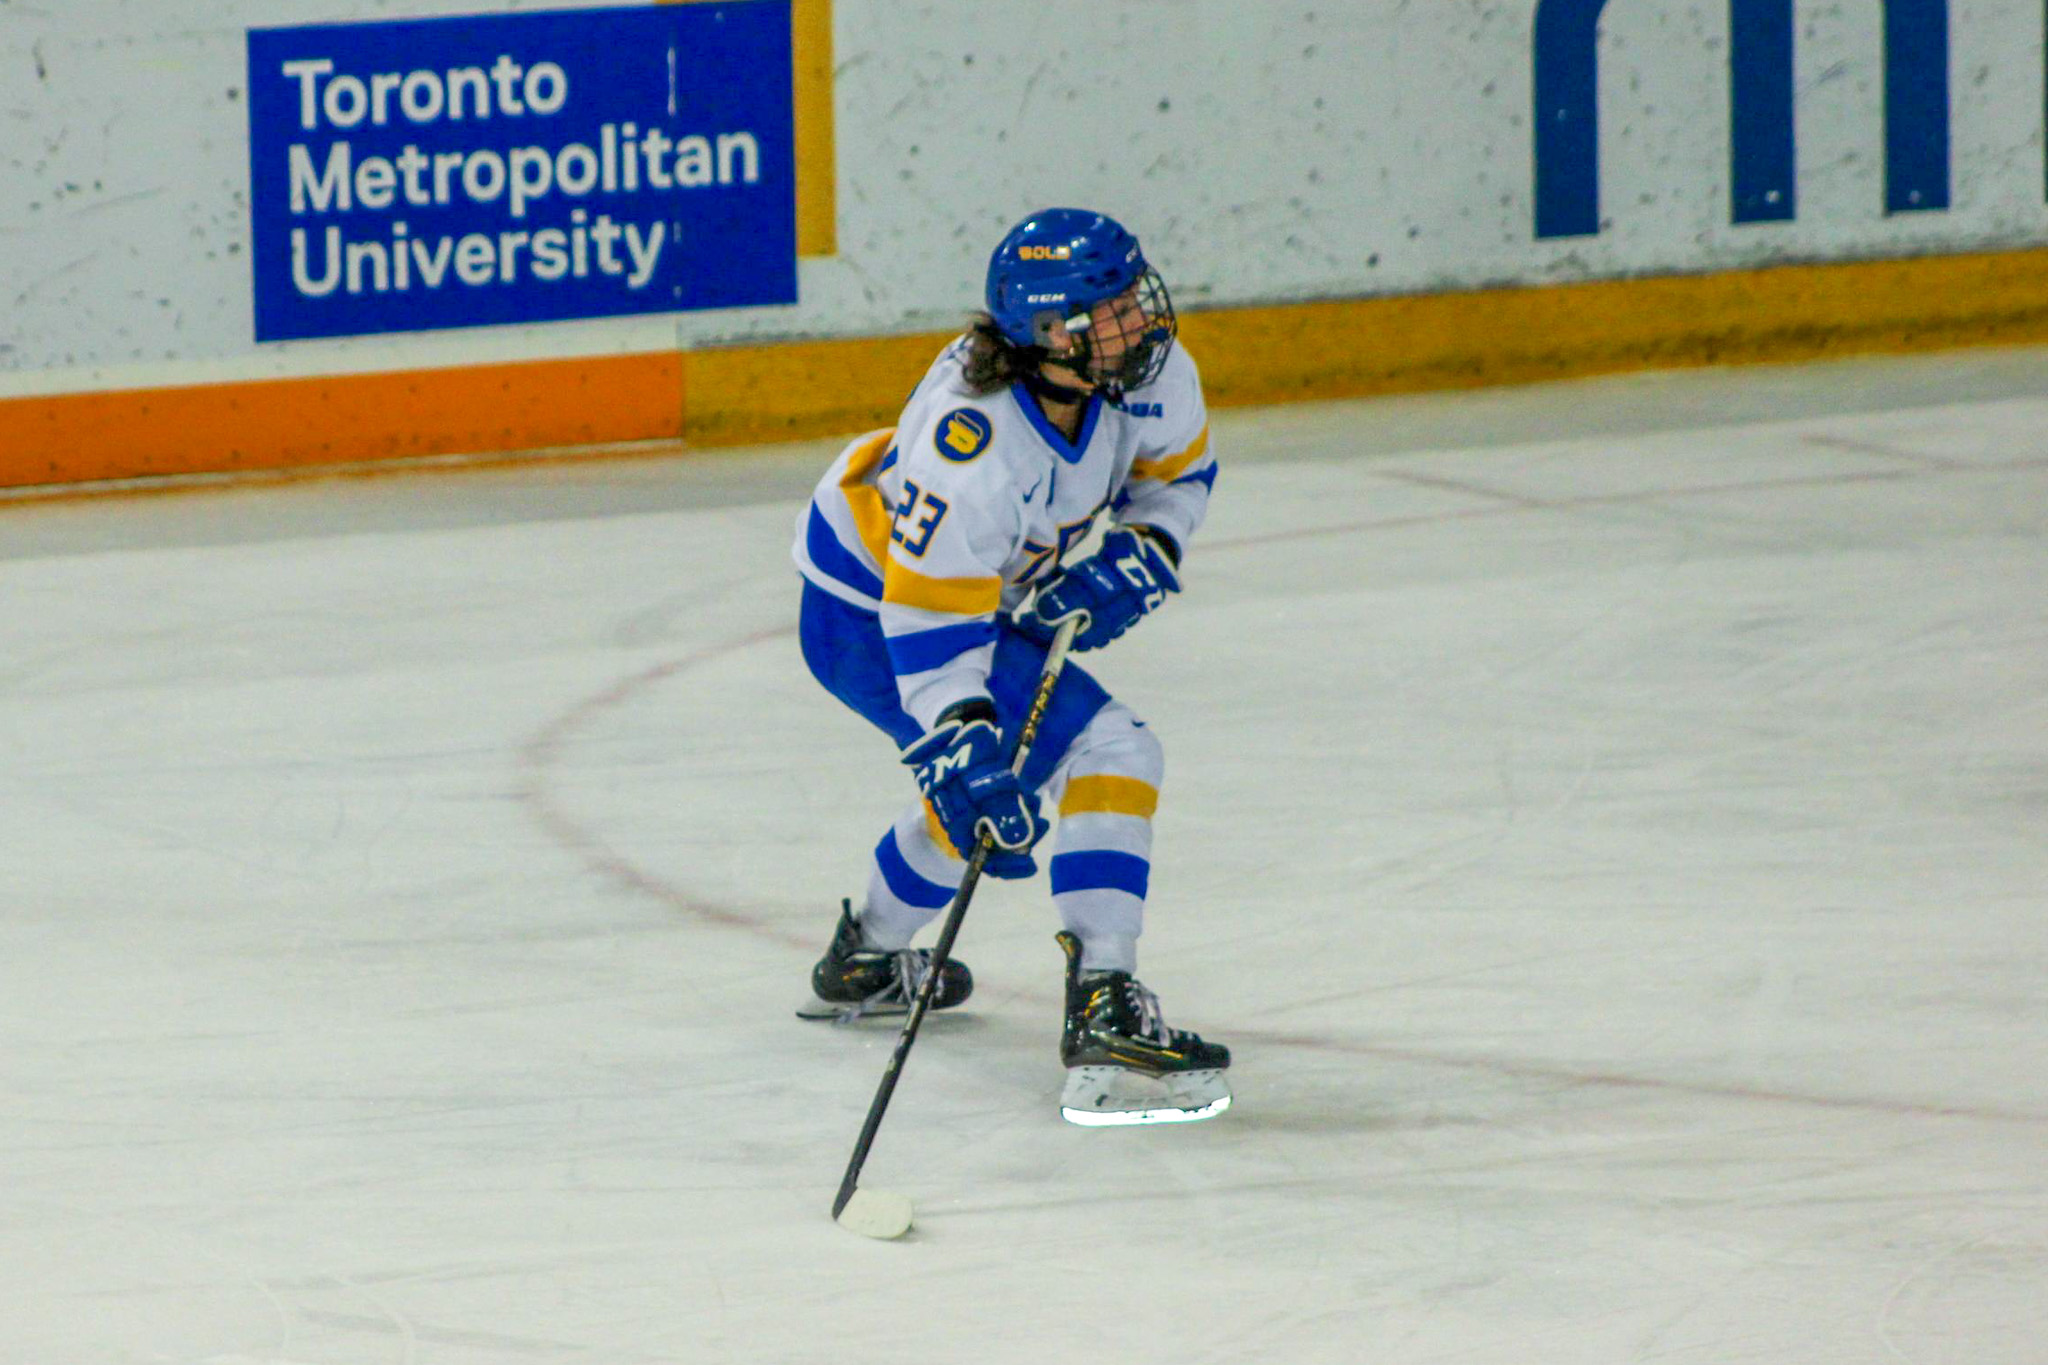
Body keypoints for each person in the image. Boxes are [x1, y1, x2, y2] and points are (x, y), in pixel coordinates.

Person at [788, 207, 1230, 1124]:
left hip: (958, 599)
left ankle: (863, 956)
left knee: (994, 802)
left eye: (1136, 297)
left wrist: (1145, 548)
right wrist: (957, 736)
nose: (1141, 321)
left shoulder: (1142, 372)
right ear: (1050, 335)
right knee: (1102, 753)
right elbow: (928, 610)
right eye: (1111, 313)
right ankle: (1104, 1002)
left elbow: (1177, 475)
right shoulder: (974, 446)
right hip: (872, 610)